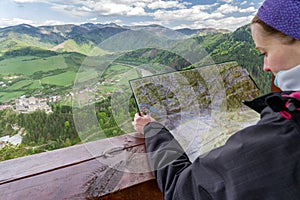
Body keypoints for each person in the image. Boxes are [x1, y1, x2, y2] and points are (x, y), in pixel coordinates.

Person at [132, 0, 300, 199]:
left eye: (265, 52)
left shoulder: (285, 134)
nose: (265, 67)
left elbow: (183, 189)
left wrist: (153, 131)